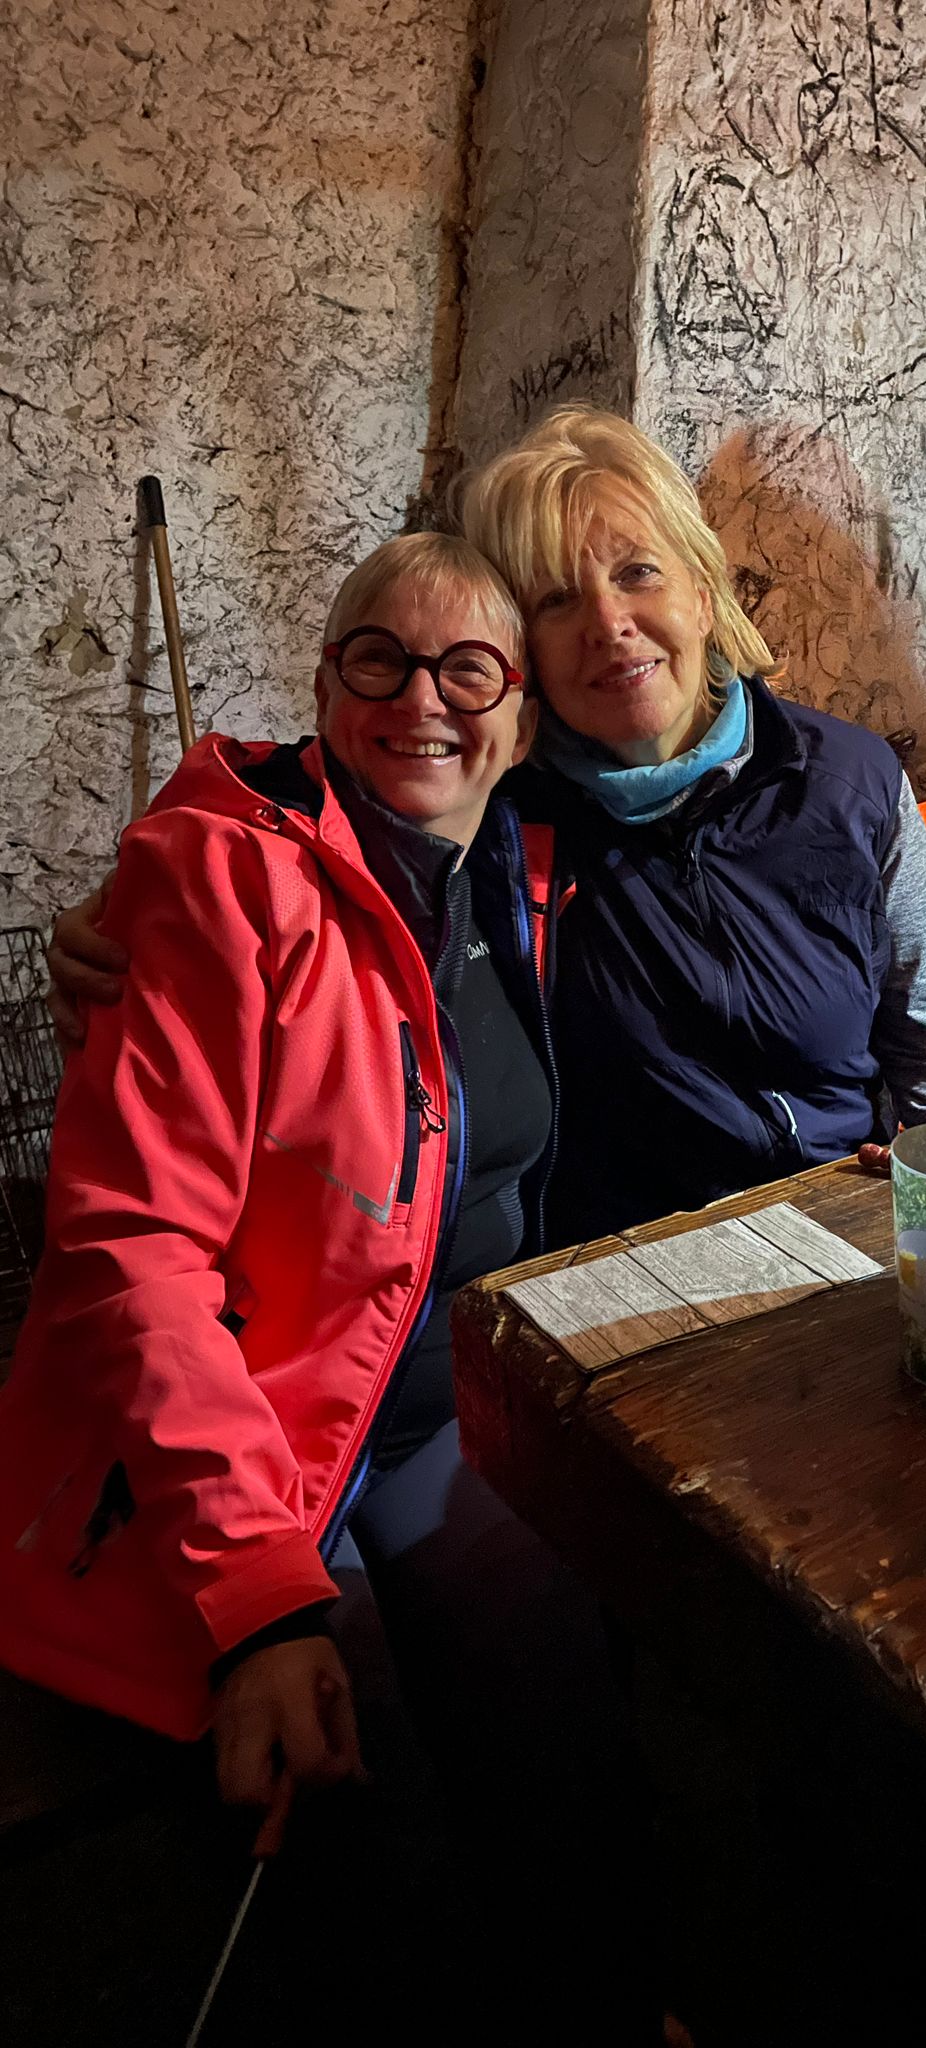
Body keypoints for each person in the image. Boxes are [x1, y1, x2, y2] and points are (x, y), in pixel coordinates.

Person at [3, 534, 655, 2035]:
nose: (420, 700)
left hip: (433, 1422)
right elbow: (130, 1256)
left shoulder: (515, 866)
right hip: (251, 1448)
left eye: (468, 669)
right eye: (380, 659)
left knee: (571, 1718)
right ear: (323, 682)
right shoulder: (224, 877)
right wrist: (255, 1598)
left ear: (521, 714)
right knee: (370, 1806)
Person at [455, 403, 926, 1244]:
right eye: (557, 599)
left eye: (638, 572)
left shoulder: (851, 782)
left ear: (703, 596)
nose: (608, 623)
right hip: (622, 1266)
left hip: (845, 1227)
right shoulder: (497, 823)